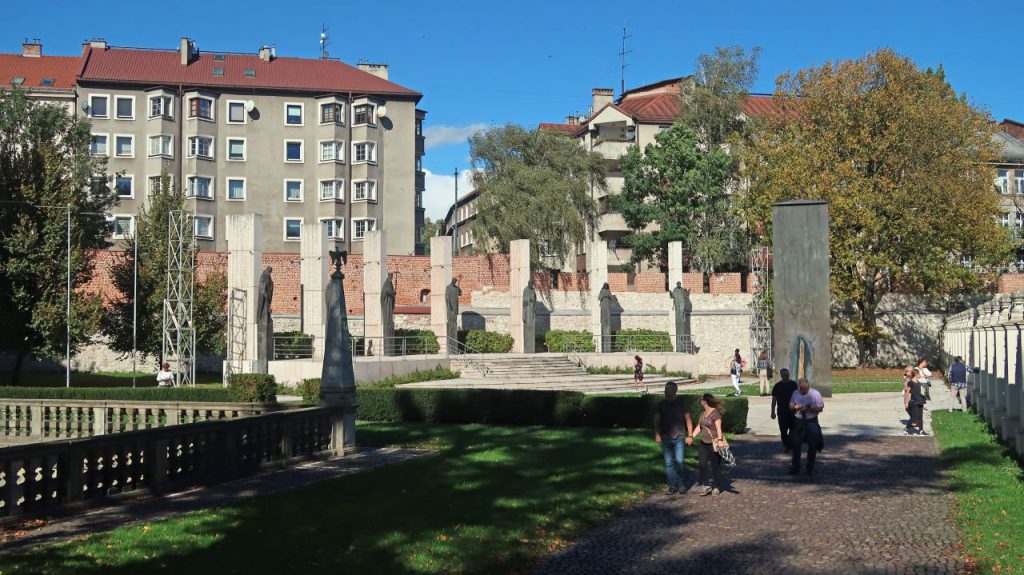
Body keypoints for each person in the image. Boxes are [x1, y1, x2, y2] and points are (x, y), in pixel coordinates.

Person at [654, 381, 694, 495]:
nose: (666, 391)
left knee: (680, 462)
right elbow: (657, 419)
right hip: (666, 437)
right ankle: (672, 486)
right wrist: (657, 433)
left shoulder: (681, 403)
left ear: (674, 391)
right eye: (665, 389)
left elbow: (688, 419)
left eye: (668, 389)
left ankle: (681, 484)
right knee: (668, 463)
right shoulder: (661, 404)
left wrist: (690, 435)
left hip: (679, 437)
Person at [690, 393, 726, 496]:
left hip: (714, 443)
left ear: (705, 401)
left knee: (716, 466)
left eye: (701, 399)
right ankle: (706, 485)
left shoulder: (715, 413)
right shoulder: (702, 413)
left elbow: (719, 428)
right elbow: (699, 427)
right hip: (703, 442)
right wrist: (691, 436)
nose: (700, 401)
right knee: (702, 464)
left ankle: (716, 486)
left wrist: (719, 440)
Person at [789, 378, 824, 476]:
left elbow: (820, 408)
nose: (804, 391)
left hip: (811, 420)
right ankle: (795, 467)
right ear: (799, 387)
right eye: (802, 389)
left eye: (805, 389)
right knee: (796, 445)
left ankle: (810, 468)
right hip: (799, 420)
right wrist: (795, 407)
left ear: (808, 386)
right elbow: (790, 406)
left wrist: (809, 408)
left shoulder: (815, 394)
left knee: (812, 446)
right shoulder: (795, 393)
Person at [770, 368, 799, 452]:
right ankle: (787, 446)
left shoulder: (793, 384)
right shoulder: (777, 386)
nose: (786, 377)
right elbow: (774, 400)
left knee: (793, 429)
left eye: (787, 375)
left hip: (792, 411)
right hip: (782, 412)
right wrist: (772, 411)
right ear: (781, 376)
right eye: (784, 375)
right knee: (783, 431)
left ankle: (790, 444)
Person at [904, 366, 927, 435]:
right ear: (916, 374)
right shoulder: (910, 382)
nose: (920, 375)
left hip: (920, 401)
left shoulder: (918, 382)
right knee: (914, 416)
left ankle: (921, 430)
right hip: (914, 402)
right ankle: (906, 429)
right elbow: (907, 392)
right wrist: (906, 402)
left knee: (920, 417)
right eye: (919, 374)